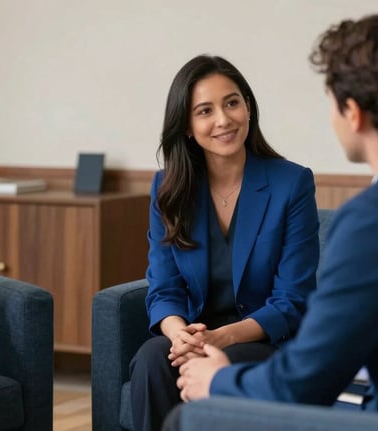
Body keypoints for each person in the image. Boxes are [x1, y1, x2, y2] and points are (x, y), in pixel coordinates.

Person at [169, 13, 378, 426]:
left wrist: (218, 380)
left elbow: (303, 383)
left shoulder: (375, 221)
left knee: (192, 420)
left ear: (353, 112)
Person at [128, 54, 321, 431]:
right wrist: (179, 333)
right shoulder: (167, 189)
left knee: (216, 363)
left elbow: (292, 300)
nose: (223, 119)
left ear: (248, 107)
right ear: (186, 126)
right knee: (153, 357)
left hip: (265, 341)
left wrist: (221, 338)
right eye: (204, 110)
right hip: (195, 334)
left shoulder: (292, 183)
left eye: (232, 102)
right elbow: (164, 287)